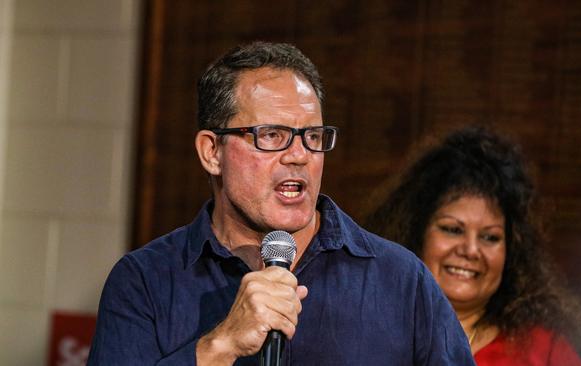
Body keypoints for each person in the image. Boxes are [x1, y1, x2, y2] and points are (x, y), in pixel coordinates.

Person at [87, 42, 475, 365]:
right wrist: (219, 346)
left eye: (312, 136)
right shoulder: (144, 281)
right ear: (211, 152)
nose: (299, 155)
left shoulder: (402, 281)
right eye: (272, 135)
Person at [364, 126, 581, 365]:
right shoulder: (367, 333)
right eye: (453, 230)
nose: (471, 250)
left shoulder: (544, 350)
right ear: (414, 234)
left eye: (490, 237)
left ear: (512, 252)